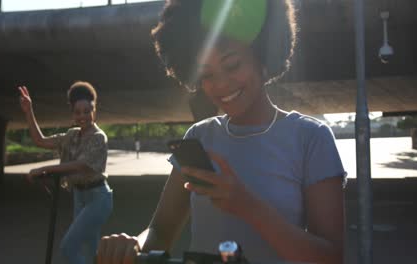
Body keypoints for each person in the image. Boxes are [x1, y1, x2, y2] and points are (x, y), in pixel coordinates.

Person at [98, 0, 345, 263]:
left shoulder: (311, 138)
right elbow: (160, 231)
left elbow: (330, 257)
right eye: (207, 75)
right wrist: (134, 245)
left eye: (232, 65)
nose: (221, 85)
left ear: (262, 56)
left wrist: (248, 206)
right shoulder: (198, 137)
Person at [18, 81, 113, 264]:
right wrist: (28, 111)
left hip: (98, 198)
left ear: (94, 110)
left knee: (68, 247)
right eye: (78, 112)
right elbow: (40, 140)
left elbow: (80, 165)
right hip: (79, 196)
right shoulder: (71, 135)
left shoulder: (98, 137)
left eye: (87, 111)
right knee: (91, 251)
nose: (83, 116)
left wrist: (44, 169)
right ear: (72, 113)